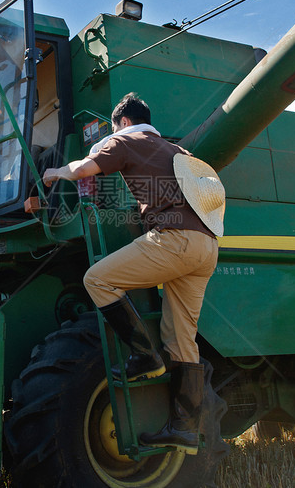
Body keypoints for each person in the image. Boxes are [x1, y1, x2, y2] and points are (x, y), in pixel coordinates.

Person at [42, 92, 225, 454]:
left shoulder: (125, 138)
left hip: (175, 241)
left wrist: (55, 173)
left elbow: (83, 170)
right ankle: (185, 429)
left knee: (97, 279)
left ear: (123, 122)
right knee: (181, 339)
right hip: (207, 247)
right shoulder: (177, 151)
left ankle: (144, 357)